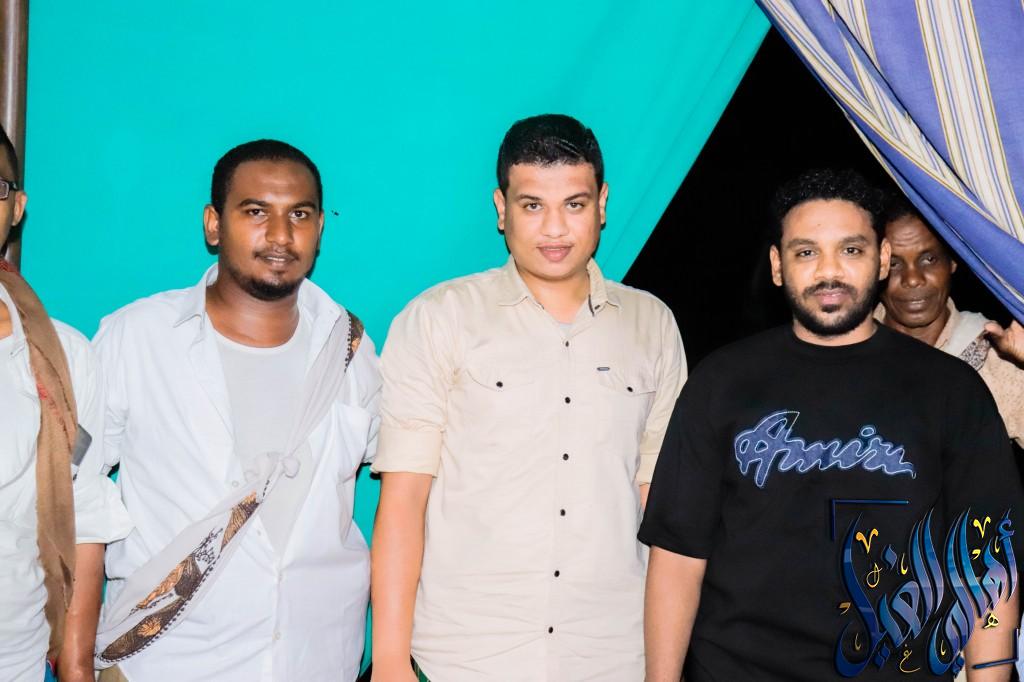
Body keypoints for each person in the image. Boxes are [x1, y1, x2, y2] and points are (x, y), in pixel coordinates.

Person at [641, 169, 1023, 681]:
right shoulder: (721, 382)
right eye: (806, 252)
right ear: (777, 266)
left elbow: (988, 567)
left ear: (881, 258)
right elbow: (677, 557)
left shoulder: (953, 391)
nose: (828, 271)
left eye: (850, 250)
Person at [370, 114, 686, 681]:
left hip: (613, 655)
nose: (554, 228)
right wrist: (390, 661)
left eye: (574, 204)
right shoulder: (439, 318)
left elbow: (661, 506)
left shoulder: (652, 324)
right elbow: (402, 500)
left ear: (602, 203)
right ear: (502, 208)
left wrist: (665, 669)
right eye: (533, 205)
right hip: (465, 657)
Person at [92, 140, 381, 681]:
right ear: (214, 224)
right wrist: (74, 657)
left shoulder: (350, 349)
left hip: (315, 658)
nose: (281, 235)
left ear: (320, 229)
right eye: (255, 212)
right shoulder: (138, 337)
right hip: (164, 661)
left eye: (300, 214)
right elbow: (77, 498)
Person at [0, 125, 131, 682]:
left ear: (16, 208)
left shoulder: (65, 358)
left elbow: (84, 509)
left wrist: (76, 664)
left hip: (14, 653)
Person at [877, 199, 1023, 447]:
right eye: (894, 264)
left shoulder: (994, 357)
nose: (913, 279)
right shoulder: (843, 347)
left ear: (952, 261)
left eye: (928, 259)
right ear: (874, 269)